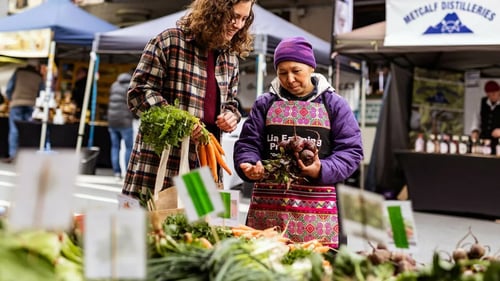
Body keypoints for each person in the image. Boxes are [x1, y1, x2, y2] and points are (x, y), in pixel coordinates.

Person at [233, 37, 363, 249]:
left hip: (318, 214)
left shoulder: (334, 105)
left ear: (311, 67)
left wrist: (322, 169)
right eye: (282, 72)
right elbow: (248, 143)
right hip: (268, 211)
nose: (290, 78)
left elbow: (351, 151)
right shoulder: (265, 104)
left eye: (296, 71)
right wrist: (248, 164)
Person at [122, 0, 255, 199]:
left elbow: (230, 101)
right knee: (146, 225)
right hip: (161, 161)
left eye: (244, 19)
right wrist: (182, 122)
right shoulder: (169, 41)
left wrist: (231, 115)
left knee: (198, 227)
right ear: (214, 12)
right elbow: (139, 93)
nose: (238, 25)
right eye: (234, 16)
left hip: (204, 163)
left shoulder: (230, 57)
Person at [2, 59, 44, 163]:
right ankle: (25, 156)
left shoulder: (19, 72)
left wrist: (11, 98)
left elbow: (9, 88)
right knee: (27, 131)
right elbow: (40, 92)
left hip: (17, 103)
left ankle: (13, 155)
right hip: (31, 105)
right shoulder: (38, 77)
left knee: (14, 130)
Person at [107, 71, 135, 180]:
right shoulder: (130, 87)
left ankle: (116, 172)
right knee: (128, 147)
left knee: (115, 147)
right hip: (125, 121)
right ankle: (127, 172)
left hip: (112, 121)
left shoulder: (114, 85)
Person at [471, 80, 500, 155]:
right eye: (489, 95)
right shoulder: (482, 102)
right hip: (484, 141)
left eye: (494, 93)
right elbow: (477, 118)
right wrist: (475, 130)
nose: (492, 96)